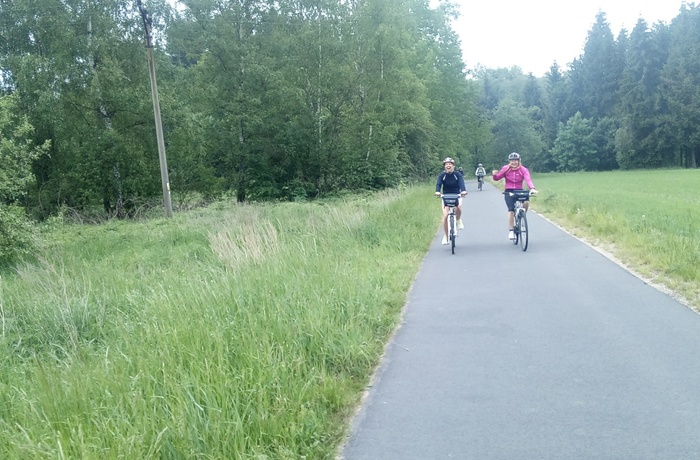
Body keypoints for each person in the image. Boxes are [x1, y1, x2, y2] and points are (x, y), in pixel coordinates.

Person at [491, 152, 538, 240]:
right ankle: (511, 230)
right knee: (511, 209)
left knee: (526, 202)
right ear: (509, 161)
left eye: (515, 160)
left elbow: (528, 179)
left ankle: (522, 215)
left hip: (519, 190)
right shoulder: (506, 169)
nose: (514, 162)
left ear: (519, 161)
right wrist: (494, 175)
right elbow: (497, 178)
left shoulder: (523, 170)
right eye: (512, 161)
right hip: (509, 190)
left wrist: (532, 188)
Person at [435, 157, 467, 245]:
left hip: (457, 194)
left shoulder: (457, 174)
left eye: (450, 164)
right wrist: (437, 191)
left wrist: (463, 191)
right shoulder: (442, 175)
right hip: (445, 195)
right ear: (444, 166)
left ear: (453, 166)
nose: (448, 165)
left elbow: (461, 183)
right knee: (445, 215)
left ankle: (458, 219)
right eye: (446, 164)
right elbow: (438, 184)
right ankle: (445, 236)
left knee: (459, 207)